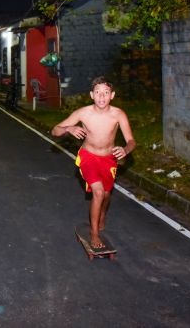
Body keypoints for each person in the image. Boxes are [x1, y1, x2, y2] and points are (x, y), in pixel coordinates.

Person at [51, 76, 135, 250]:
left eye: (105, 93)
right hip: (88, 157)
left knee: (105, 194)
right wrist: (69, 128)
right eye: (98, 93)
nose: (101, 97)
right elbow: (55, 130)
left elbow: (131, 140)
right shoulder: (83, 113)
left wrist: (125, 150)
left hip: (109, 159)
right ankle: (94, 233)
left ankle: (102, 212)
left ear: (112, 95)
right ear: (91, 95)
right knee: (97, 192)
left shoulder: (118, 114)